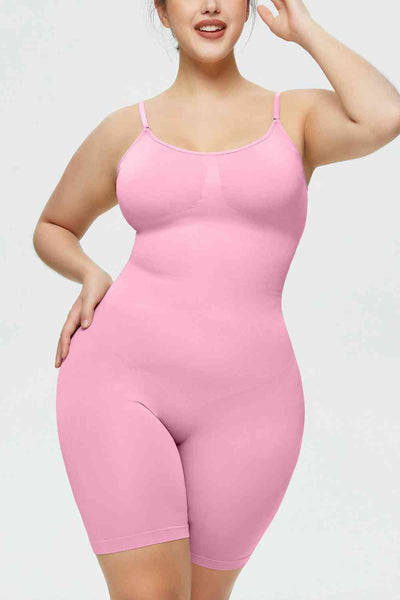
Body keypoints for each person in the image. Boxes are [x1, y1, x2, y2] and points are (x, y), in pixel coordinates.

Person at [32, 0, 400, 598]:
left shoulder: (296, 116)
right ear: (161, 8)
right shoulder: (126, 128)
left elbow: (385, 115)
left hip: (252, 404)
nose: (209, 5)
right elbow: (53, 226)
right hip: (120, 382)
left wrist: (304, 29)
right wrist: (88, 273)